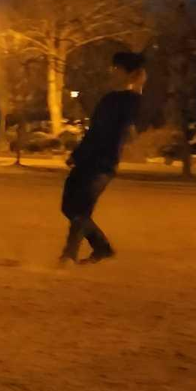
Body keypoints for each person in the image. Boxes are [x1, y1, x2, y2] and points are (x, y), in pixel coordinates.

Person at [60, 52, 145, 264]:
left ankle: (69, 254)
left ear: (130, 74)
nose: (113, 72)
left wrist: (138, 86)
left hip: (104, 163)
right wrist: (77, 155)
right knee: (69, 207)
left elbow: (123, 129)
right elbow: (94, 132)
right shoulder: (109, 99)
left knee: (81, 208)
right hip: (88, 159)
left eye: (117, 69)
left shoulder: (132, 101)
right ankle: (101, 247)